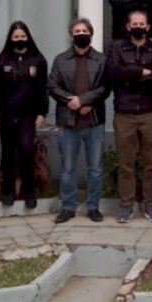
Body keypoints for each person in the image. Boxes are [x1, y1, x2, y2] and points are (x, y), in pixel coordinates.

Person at [107, 9, 152, 223]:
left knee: (151, 163)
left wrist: (129, 74)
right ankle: (126, 205)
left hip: (151, 112)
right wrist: (142, 72)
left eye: (143, 23)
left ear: (148, 27)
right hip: (125, 113)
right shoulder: (117, 47)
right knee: (126, 163)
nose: (139, 26)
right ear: (128, 26)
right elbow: (114, 73)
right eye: (135, 23)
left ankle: (150, 204)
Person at [48, 18, 109, 223]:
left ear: (91, 34)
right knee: (67, 169)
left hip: (94, 121)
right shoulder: (60, 59)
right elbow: (52, 86)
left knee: (96, 169)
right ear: (71, 34)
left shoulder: (101, 60)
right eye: (77, 30)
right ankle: (68, 206)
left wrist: (84, 100)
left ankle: (93, 207)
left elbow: (105, 87)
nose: (80, 33)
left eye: (84, 30)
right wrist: (71, 101)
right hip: (68, 121)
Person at [0, 21, 49, 209]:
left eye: (22, 37)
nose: (19, 40)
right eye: (16, 37)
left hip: (28, 117)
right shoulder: (1, 61)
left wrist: (42, 112)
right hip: (6, 116)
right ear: (10, 38)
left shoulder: (38, 60)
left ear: (28, 38)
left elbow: (43, 88)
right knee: (8, 155)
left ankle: (29, 192)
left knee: (26, 153)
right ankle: (8, 192)